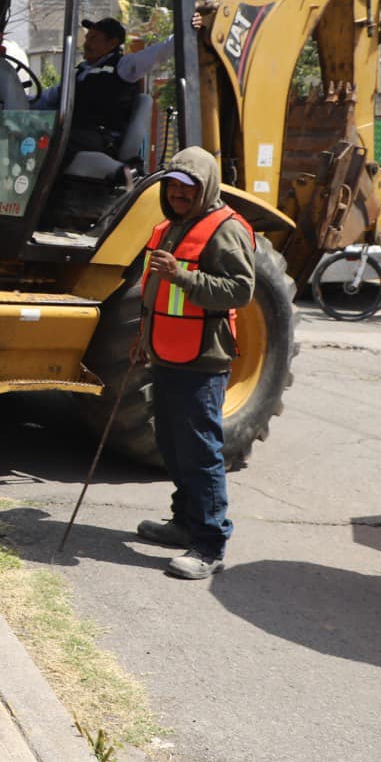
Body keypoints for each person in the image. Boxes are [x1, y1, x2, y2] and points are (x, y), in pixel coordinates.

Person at [133, 146, 256, 580]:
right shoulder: (171, 227)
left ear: (205, 188)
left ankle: (209, 543)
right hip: (165, 351)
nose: (179, 195)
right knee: (171, 443)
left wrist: (182, 276)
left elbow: (239, 290)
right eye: (173, 187)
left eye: (188, 188)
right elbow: (155, 289)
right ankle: (184, 522)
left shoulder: (226, 230)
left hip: (202, 360)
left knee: (201, 452)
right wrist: (141, 338)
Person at [36, 17, 174, 164]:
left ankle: (119, 173)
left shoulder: (123, 66)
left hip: (102, 139)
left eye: (94, 39)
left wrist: (188, 26)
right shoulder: (79, 72)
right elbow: (46, 98)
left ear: (112, 43)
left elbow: (159, 52)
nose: (86, 44)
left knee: (53, 141)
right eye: (87, 38)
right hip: (74, 133)